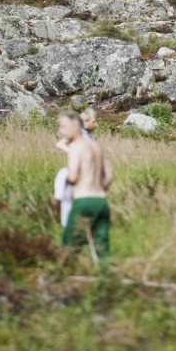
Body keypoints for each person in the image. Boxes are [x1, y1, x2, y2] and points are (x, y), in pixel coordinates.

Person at [59, 110, 113, 257]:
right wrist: (98, 189)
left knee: (69, 247)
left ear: (75, 127)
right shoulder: (96, 146)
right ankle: (108, 277)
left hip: (83, 202)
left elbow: (74, 177)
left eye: (63, 127)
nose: (60, 131)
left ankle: (63, 276)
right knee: (102, 250)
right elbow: (109, 176)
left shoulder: (76, 147)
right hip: (101, 202)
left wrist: (63, 180)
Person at [53, 109, 97, 228]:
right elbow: (60, 143)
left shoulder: (88, 135)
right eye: (93, 121)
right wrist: (71, 152)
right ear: (85, 122)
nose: (95, 123)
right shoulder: (80, 134)